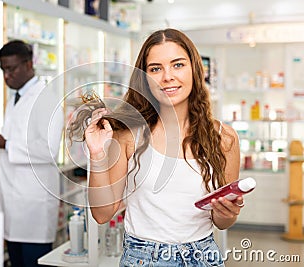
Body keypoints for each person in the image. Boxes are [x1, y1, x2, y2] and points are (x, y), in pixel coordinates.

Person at [68, 28, 243, 266]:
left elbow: (221, 223)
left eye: (178, 65)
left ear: (194, 69)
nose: (167, 76)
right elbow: (102, 214)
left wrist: (227, 214)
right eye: (155, 69)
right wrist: (97, 155)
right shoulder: (129, 135)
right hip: (144, 258)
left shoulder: (224, 138)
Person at [0, 40, 64, 267]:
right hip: (12, 202)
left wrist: (5, 144)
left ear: (28, 64)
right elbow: (16, 140)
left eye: (11, 69)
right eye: (3, 70)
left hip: (33, 206)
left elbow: (48, 149)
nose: (6, 76)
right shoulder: (15, 98)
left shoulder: (46, 98)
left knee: (33, 261)